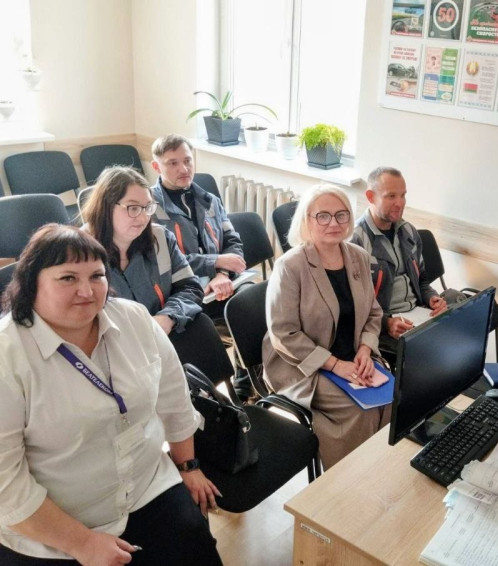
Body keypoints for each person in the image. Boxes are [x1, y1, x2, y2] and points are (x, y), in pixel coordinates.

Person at [0, 224, 222, 565]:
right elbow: (6, 487)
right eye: (68, 278)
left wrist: (188, 465)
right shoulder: (8, 355)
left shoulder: (134, 318)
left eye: (97, 276)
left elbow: (175, 398)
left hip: (148, 486)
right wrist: (82, 543)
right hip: (54, 527)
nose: (86, 291)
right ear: (32, 284)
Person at [262, 184, 388, 469]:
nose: (334, 223)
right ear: (307, 220)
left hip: (352, 354)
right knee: (361, 410)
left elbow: (373, 312)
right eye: (323, 216)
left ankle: (379, 469)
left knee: (391, 398)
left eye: (342, 215)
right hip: (300, 364)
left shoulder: (358, 256)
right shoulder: (290, 266)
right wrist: (335, 365)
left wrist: (365, 350)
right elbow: (283, 334)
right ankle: (347, 479)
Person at [150, 134, 251, 397]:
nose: (183, 168)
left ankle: (246, 379)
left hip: (220, 284)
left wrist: (222, 273)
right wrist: (214, 262)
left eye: (187, 160)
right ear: (156, 166)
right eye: (172, 163)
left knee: (251, 304)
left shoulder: (209, 200)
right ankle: (203, 393)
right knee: (215, 324)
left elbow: (232, 241)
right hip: (183, 291)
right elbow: (167, 262)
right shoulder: (149, 209)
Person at [83, 166, 203, 336]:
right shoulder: (80, 253)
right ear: (106, 207)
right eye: (133, 208)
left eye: (148, 207)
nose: (143, 218)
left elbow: (190, 287)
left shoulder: (160, 238)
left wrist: (168, 317)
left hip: (166, 335)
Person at [350, 167, 447, 358]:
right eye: (391, 196)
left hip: (417, 315)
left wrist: (431, 298)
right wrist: (386, 323)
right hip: (381, 325)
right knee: (433, 356)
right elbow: (354, 305)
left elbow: (422, 281)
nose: (400, 203)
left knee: (455, 338)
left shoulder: (409, 231)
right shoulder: (356, 240)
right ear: (370, 197)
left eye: (403, 195)